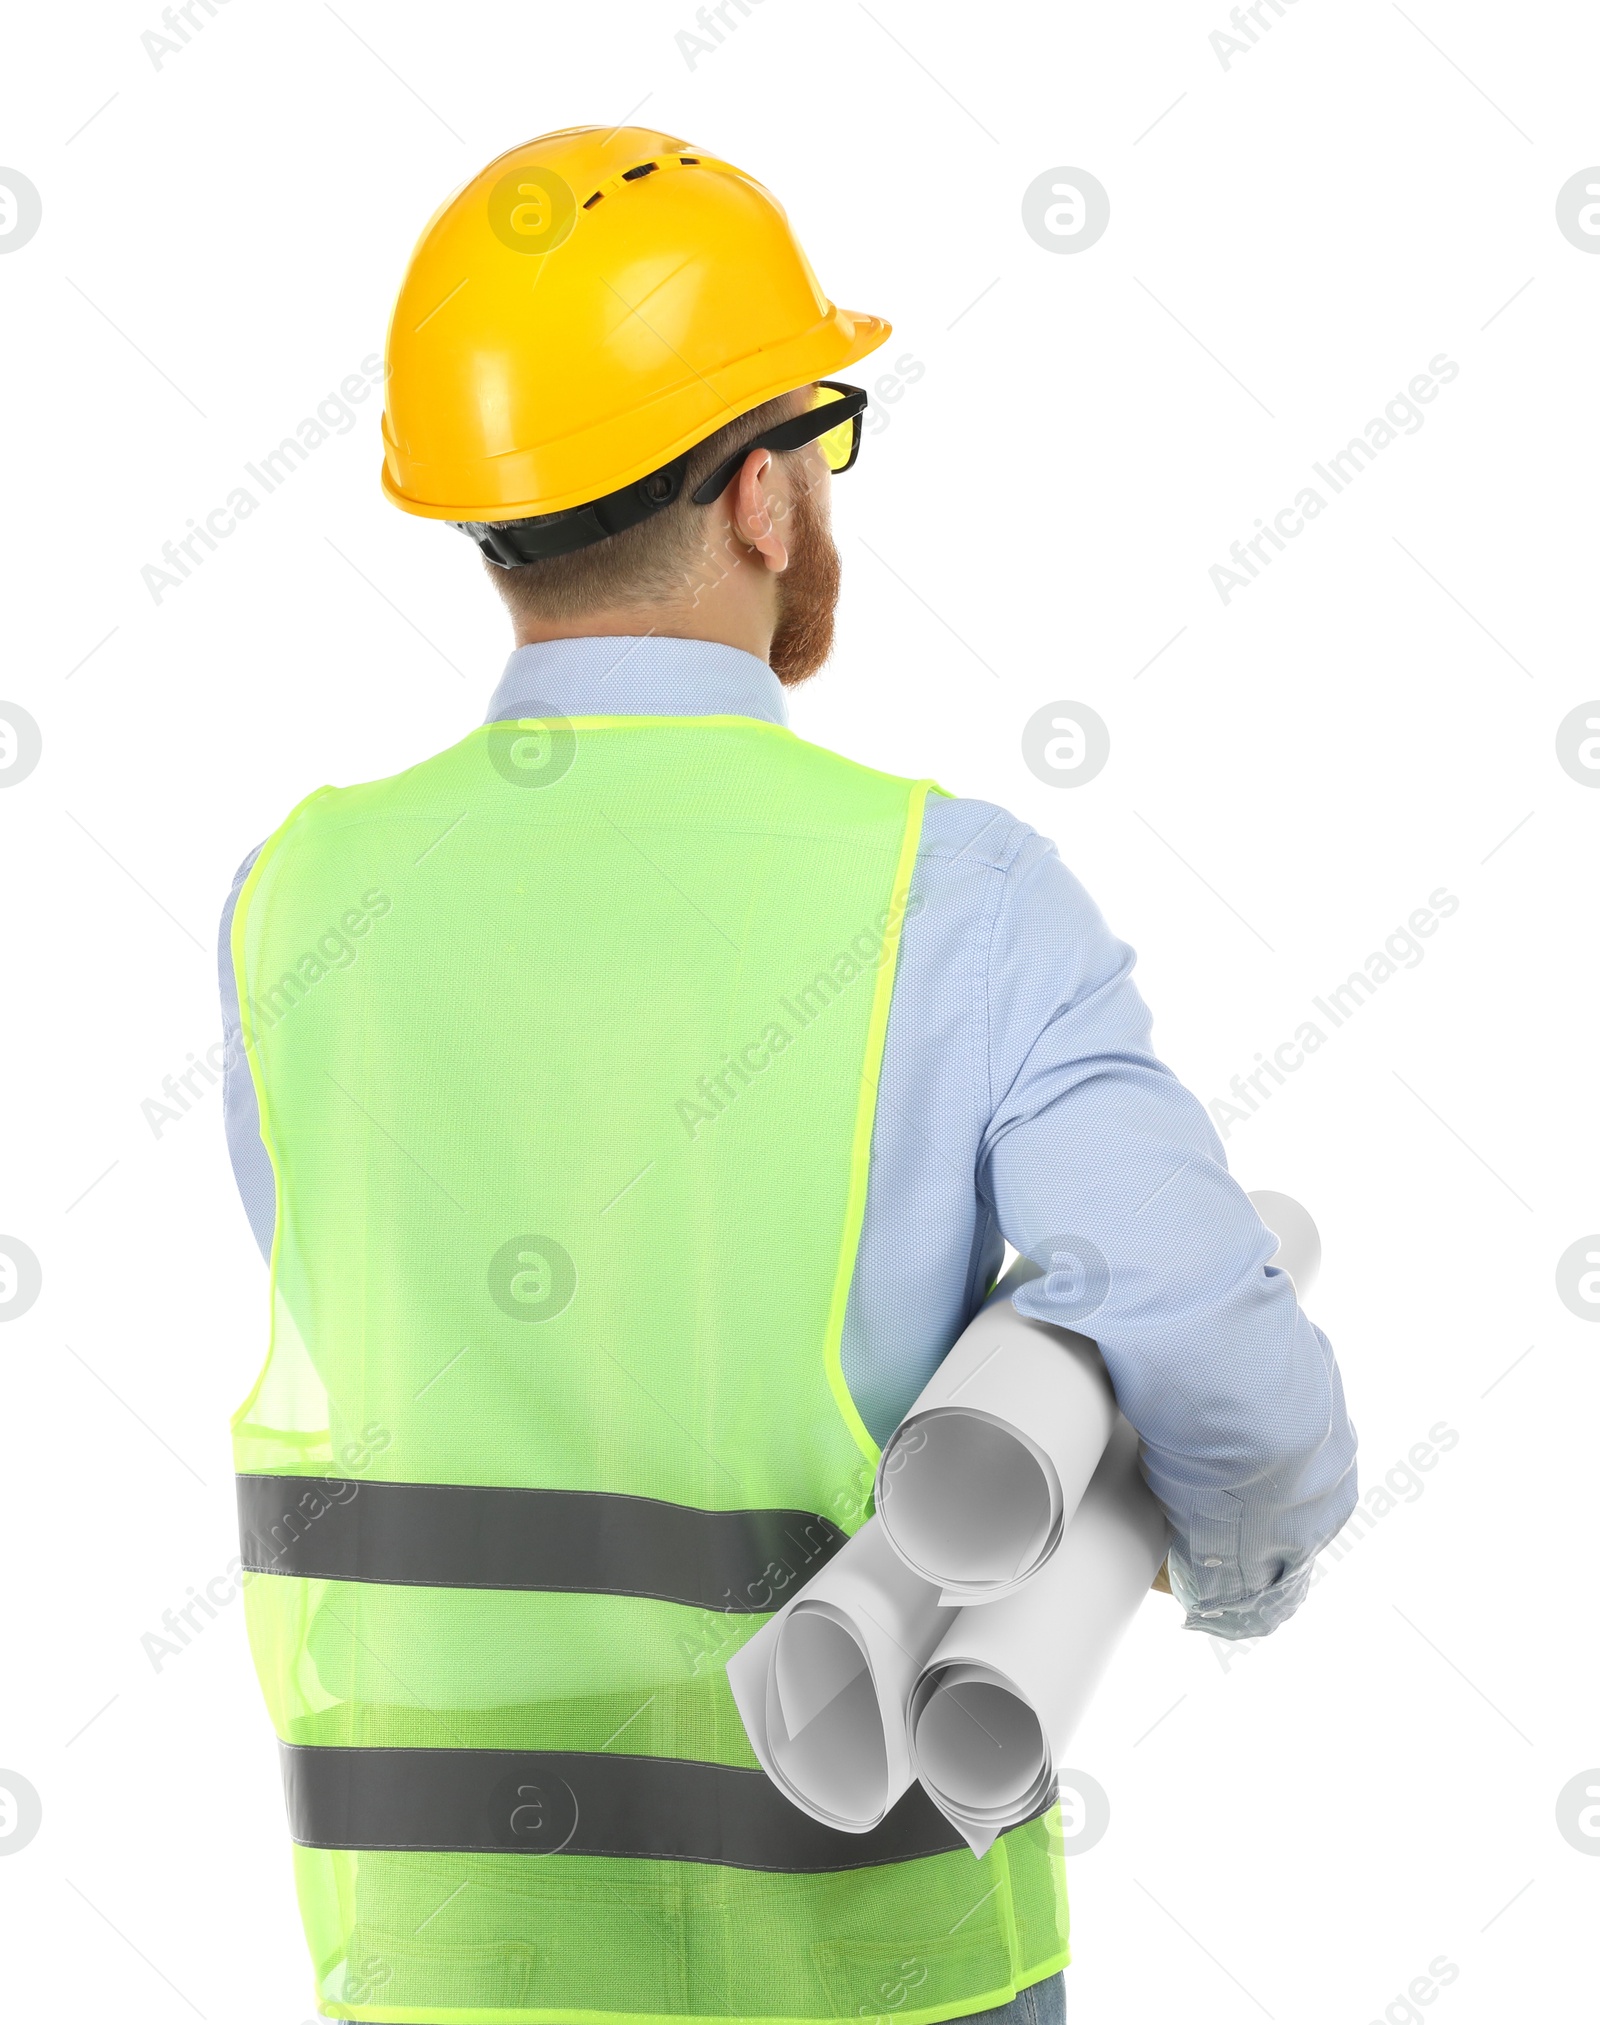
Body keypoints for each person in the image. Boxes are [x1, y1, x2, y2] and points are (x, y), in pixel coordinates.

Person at [218, 126, 1357, 2025]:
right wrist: (1228, 1565)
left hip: (449, 1952)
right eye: (819, 448)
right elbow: (1202, 1327)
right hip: (868, 1950)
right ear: (763, 497)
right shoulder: (956, 891)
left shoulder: (296, 900)